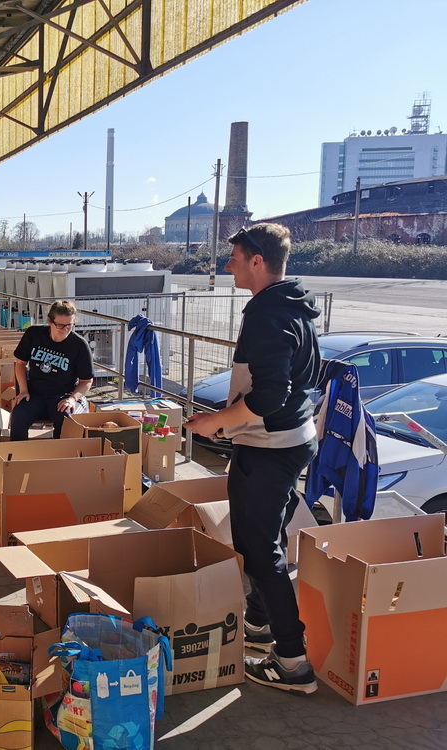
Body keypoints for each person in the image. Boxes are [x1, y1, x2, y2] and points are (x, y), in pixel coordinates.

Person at [185, 222, 321, 695]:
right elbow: (304, 377)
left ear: (258, 262)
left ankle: (293, 662)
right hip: (293, 439)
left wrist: (215, 423)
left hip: (269, 447)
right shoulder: (294, 304)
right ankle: (260, 622)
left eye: (235, 258)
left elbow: (268, 395)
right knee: (267, 537)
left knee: (260, 552)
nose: (228, 266)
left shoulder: (266, 314)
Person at [10, 300, 93, 441]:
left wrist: (72, 399)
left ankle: (60, 454)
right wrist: (23, 390)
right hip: (35, 395)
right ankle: (17, 454)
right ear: (49, 321)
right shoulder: (34, 334)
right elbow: (20, 363)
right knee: (18, 415)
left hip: (63, 395)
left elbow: (87, 380)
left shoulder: (80, 345)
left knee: (67, 419)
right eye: (60, 325)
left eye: (70, 325)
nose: (65, 329)